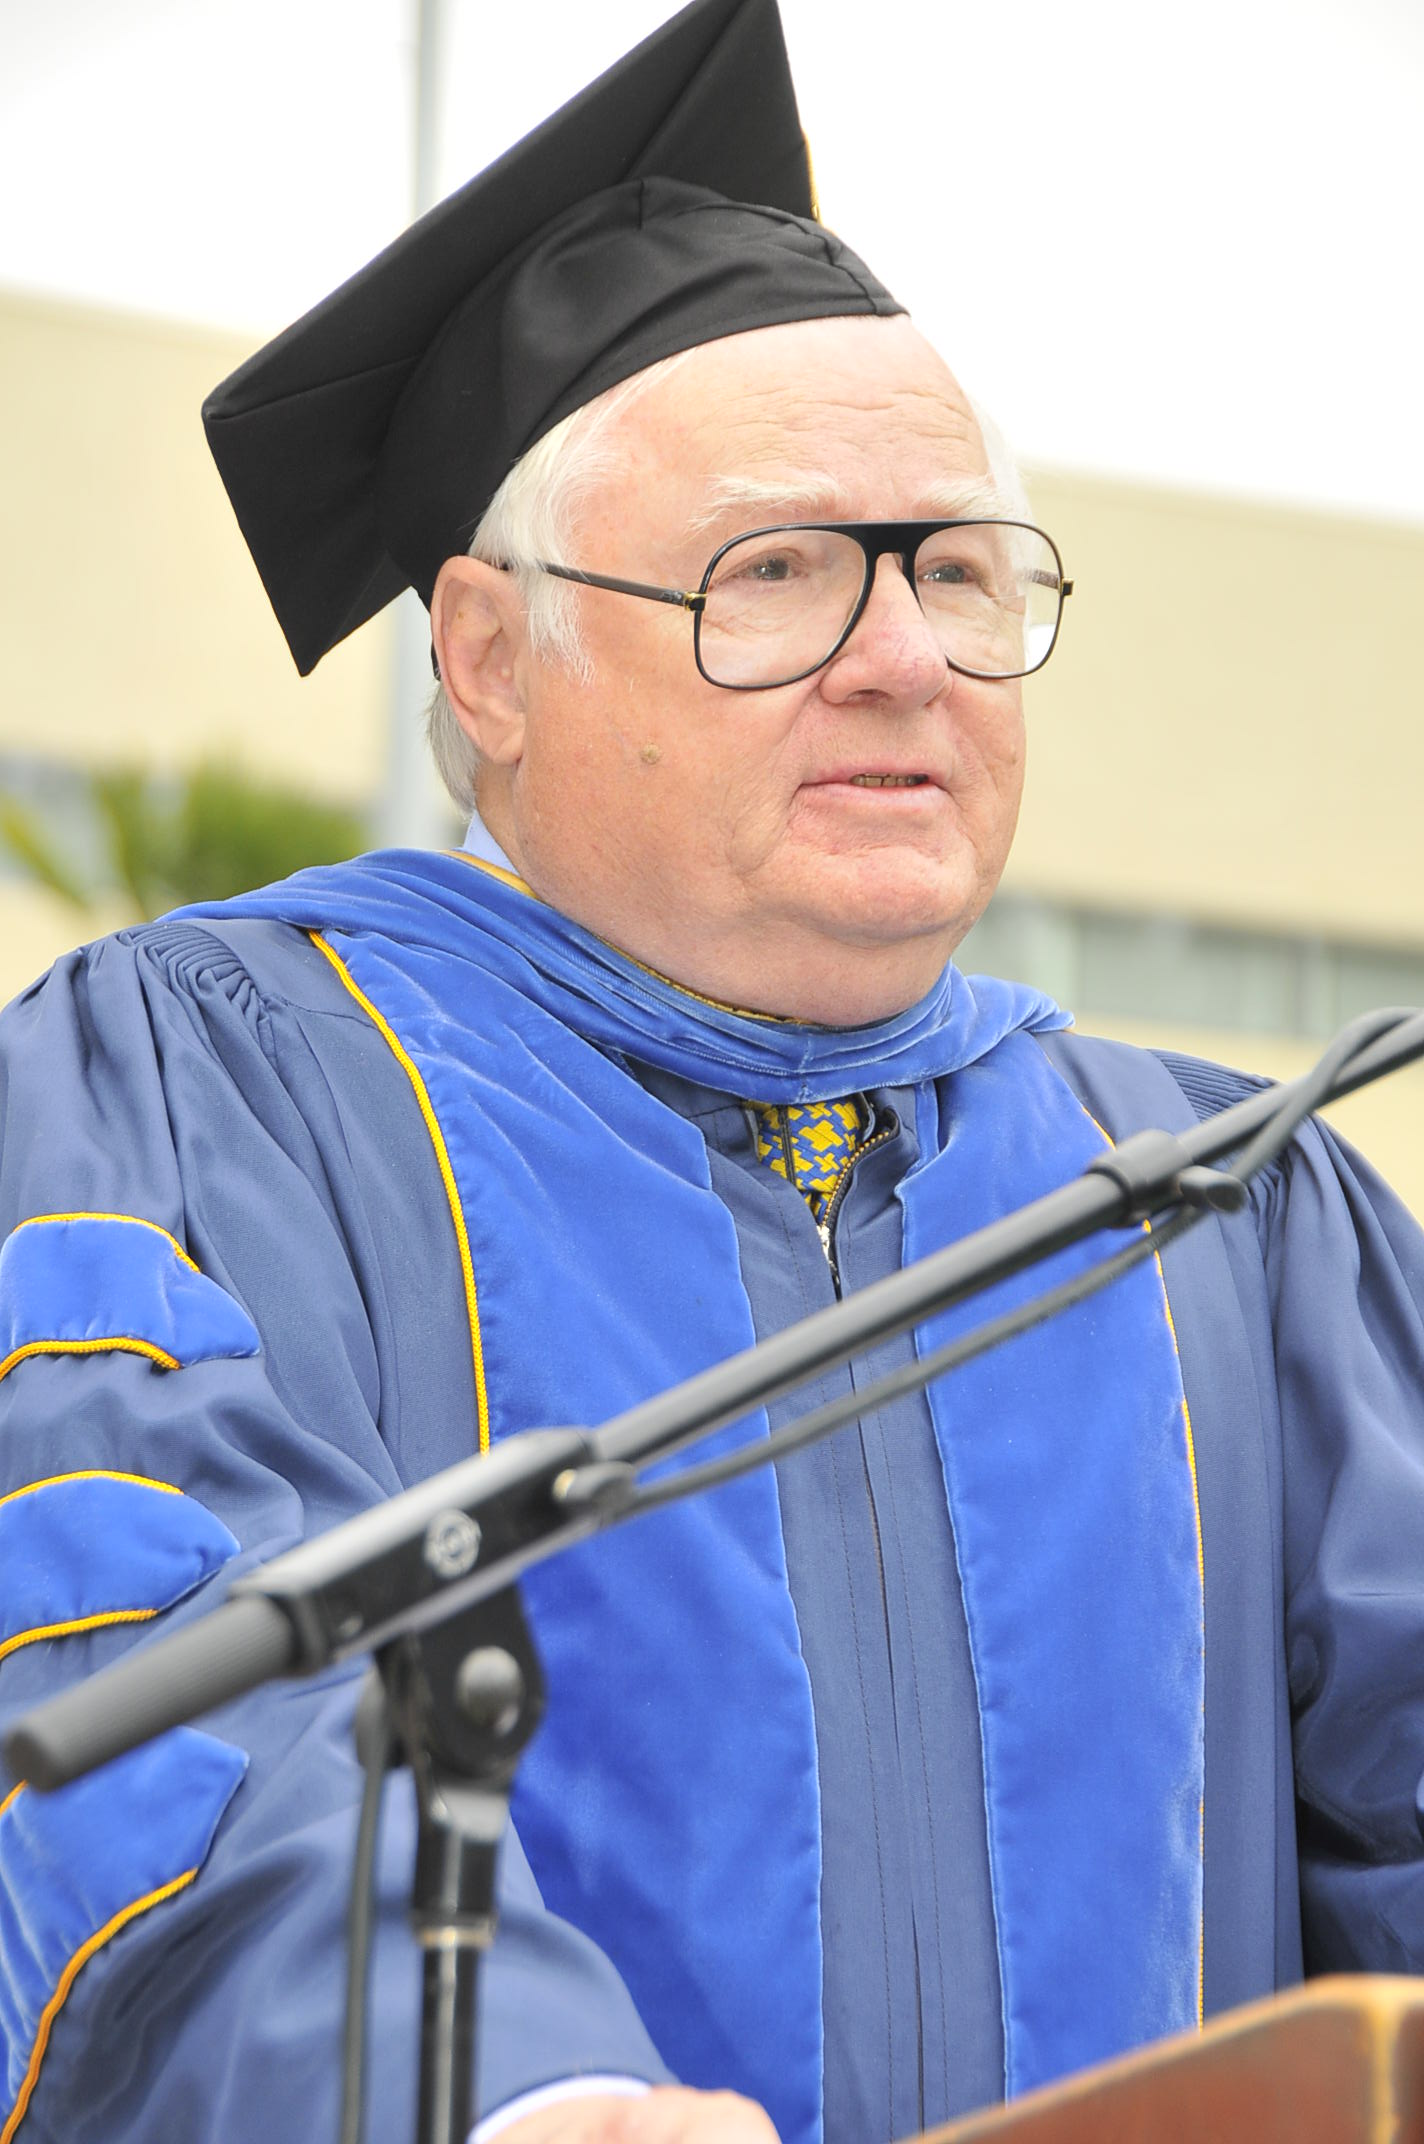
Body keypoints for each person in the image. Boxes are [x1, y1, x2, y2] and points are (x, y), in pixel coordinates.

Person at [3, 3, 1423, 2142]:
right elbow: (124, 1660)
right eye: (778, 574)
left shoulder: (1222, 1199)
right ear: (489, 659)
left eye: (960, 572)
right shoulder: (210, 1099)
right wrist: (512, 2098)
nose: (904, 657)